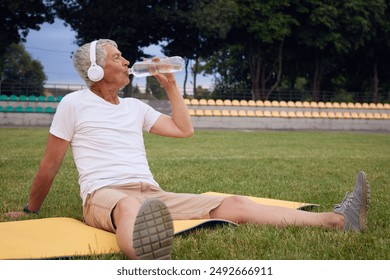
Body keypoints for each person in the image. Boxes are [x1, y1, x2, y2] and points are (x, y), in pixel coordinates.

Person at [5, 39, 370, 260]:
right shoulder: (74, 103)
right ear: (97, 71)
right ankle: (144, 255)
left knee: (234, 204)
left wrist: (171, 89)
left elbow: (184, 130)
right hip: (105, 194)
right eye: (118, 57)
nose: (128, 62)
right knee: (132, 206)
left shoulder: (135, 108)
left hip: (153, 194)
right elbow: (50, 165)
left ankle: (337, 221)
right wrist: (30, 210)